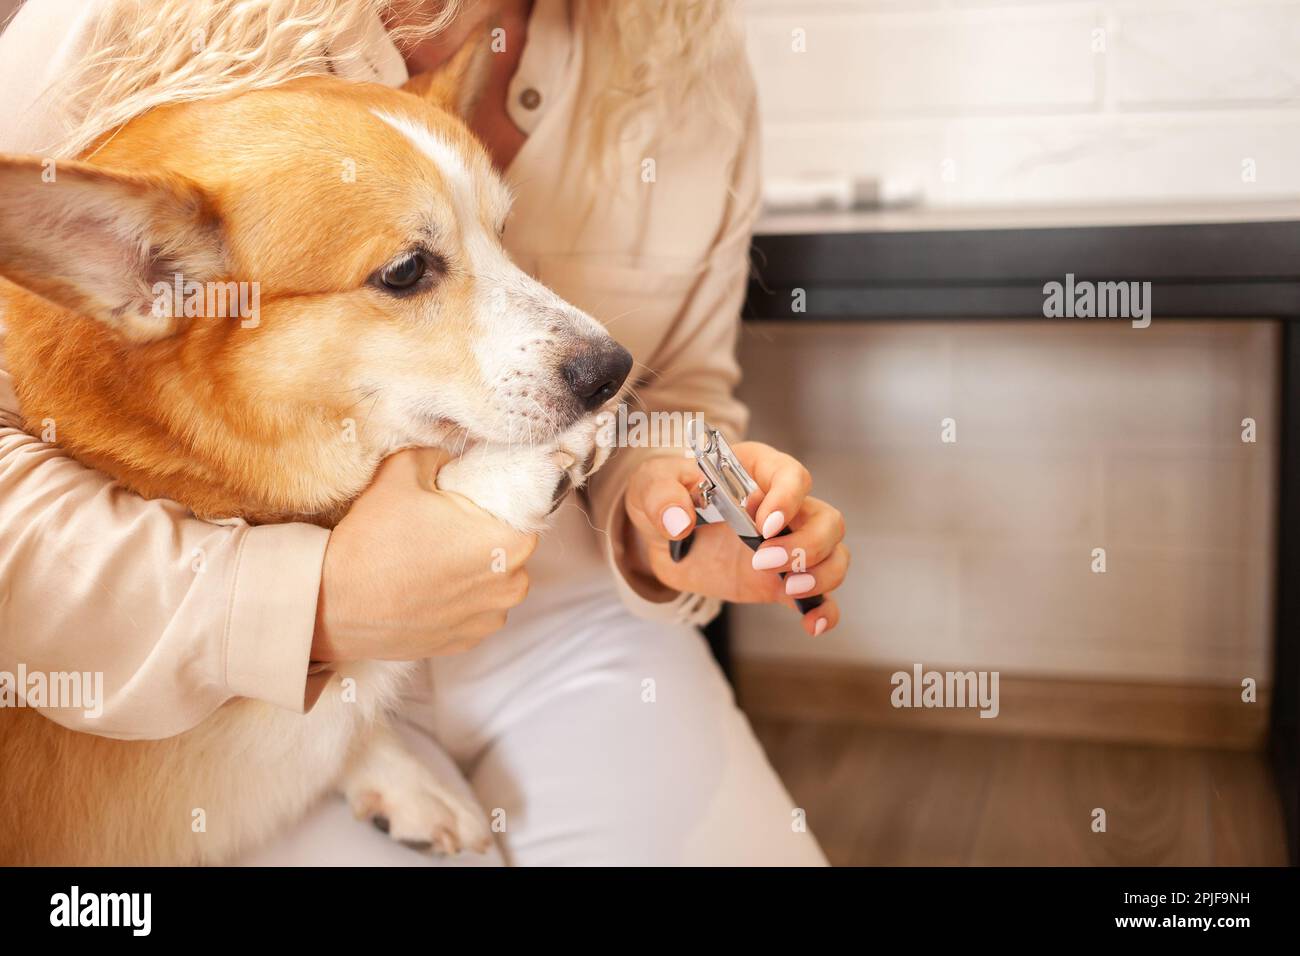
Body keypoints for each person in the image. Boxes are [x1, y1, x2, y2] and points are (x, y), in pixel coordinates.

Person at [0, 0, 848, 865]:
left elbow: (675, 391)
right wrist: (317, 606)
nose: (580, 342)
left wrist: (669, 506)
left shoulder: (692, 65)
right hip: (215, 666)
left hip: (564, 619)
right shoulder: (110, 25)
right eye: (409, 271)